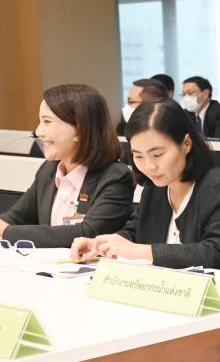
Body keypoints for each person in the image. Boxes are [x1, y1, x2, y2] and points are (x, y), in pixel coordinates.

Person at [70, 98, 220, 274]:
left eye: (157, 155)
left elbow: (218, 252)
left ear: (186, 144)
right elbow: (136, 232)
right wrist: (100, 245)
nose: (149, 166)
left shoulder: (217, 187)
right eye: (138, 156)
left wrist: (140, 251)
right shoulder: (156, 185)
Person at [0, 84, 133, 248]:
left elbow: (87, 232)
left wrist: (7, 232)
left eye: (47, 122)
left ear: (79, 129)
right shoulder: (49, 170)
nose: (38, 131)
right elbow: (15, 217)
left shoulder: (115, 176)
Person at [181, 76, 220, 141]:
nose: (186, 98)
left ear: (205, 94)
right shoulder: (185, 113)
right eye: (184, 94)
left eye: (190, 93)